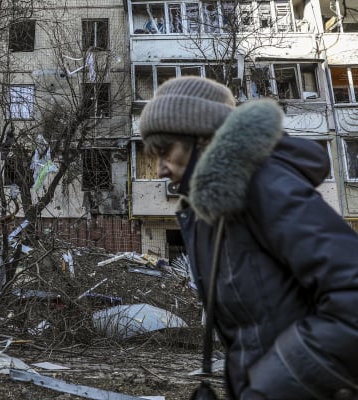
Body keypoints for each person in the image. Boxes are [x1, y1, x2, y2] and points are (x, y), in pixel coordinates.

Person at [138, 76, 358, 399]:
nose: (159, 170)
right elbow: (254, 333)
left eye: (165, 151)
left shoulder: (266, 185)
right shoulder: (213, 213)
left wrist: (270, 388)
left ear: (200, 139)